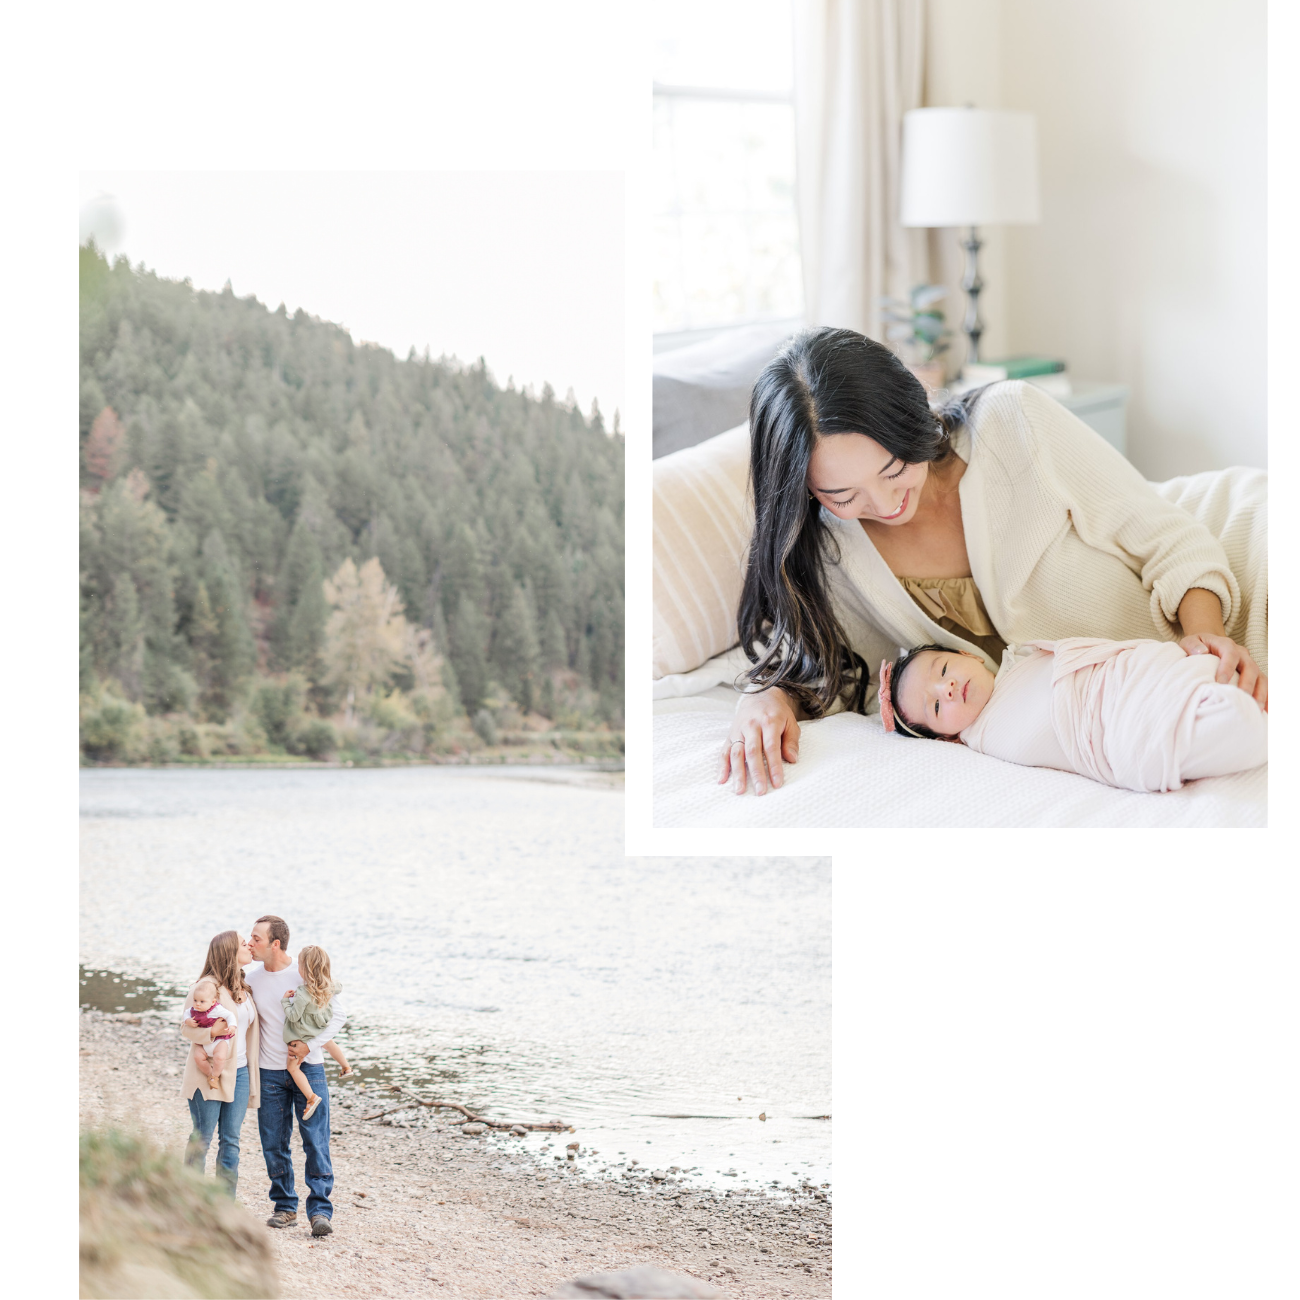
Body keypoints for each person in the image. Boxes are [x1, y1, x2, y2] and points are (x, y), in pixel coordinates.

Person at [719, 327, 1267, 795]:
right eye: (843, 496)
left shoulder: (1012, 422)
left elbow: (1169, 539)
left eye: (892, 469)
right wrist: (764, 697)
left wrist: (1209, 637)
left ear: (910, 418)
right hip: (1153, 709)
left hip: (1234, 591)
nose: (885, 507)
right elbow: (828, 669)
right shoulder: (827, 557)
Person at [878, 640, 1267, 792]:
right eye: (936, 707)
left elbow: (1097, 659)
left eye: (944, 670)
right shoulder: (983, 738)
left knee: (1206, 675)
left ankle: (1217, 697)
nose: (945, 689)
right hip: (1114, 730)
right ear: (946, 737)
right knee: (1228, 726)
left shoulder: (1023, 656)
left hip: (1132, 679)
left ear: (969, 656)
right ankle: (1244, 721)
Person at [246, 915, 346, 1237]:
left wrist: (308, 1046)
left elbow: (338, 1016)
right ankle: (285, 1207)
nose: (251, 943)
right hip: (269, 1071)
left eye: (257, 938)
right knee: (273, 1143)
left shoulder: (303, 972)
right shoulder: (252, 979)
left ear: (276, 943)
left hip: (310, 1068)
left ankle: (319, 1212)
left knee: (316, 1142)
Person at [178, 932, 261, 1193]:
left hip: (240, 1072)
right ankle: (189, 1198)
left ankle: (224, 1204)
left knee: (231, 1140)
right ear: (228, 952)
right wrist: (212, 1033)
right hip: (209, 1073)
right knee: (202, 1137)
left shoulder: (243, 987)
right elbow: (186, 1028)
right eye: (242, 943)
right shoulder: (204, 987)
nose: (248, 945)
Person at [280, 945, 351, 1120]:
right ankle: (346, 1067)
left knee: (292, 1067)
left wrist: (285, 1002)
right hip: (319, 1028)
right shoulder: (330, 986)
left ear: (304, 969)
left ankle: (311, 1098)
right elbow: (339, 986)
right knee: (328, 1042)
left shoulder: (303, 993)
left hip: (303, 1034)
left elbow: (294, 1016)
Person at [184, 977, 234, 1090]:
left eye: (202, 1002)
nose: (197, 1004)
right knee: (198, 1057)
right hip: (203, 1043)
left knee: (220, 1057)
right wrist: (188, 1021)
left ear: (213, 1002)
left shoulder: (216, 1010)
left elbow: (230, 1015)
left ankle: (215, 1076)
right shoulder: (192, 1010)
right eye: (195, 1000)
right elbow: (185, 1016)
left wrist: (232, 1026)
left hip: (219, 1040)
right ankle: (210, 1075)